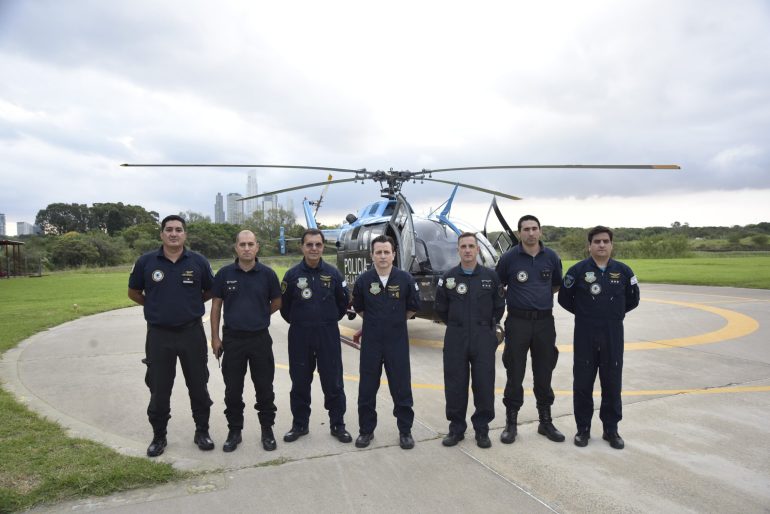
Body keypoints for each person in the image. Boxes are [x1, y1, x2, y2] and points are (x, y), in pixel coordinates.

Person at [128, 214, 215, 457]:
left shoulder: (198, 262)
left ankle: (202, 431)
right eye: (169, 229)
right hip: (159, 335)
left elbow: (210, 290)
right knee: (159, 388)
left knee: (199, 386)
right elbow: (133, 292)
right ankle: (159, 436)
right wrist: (153, 306)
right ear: (162, 234)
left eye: (178, 229)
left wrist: (190, 305)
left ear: (185, 234)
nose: (173, 233)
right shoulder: (146, 262)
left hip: (191, 333)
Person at [558, 225, 639, 450]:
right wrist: (587, 314)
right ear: (589, 246)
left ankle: (611, 430)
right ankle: (582, 429)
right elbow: (565, 299)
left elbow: (633, 300)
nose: (601, 245)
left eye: (605, 241)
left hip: (613, 334)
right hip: (585, 334)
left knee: (612, 382)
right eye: (597, 242)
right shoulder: (577, 271)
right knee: (583, 383)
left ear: (612, 245)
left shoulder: (624, 272)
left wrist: (612, 316)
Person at [495, 215, 565, 444]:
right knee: (515, 372)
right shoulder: (509, 258)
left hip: (545, 322)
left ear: (540, 231)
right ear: (519, 233)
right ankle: (511, 423)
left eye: (534, 228)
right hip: (518, 322)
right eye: (526, 229)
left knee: (544, 372)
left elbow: (555, 284)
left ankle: (545, 422)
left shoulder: (551, 257)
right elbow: (499, 284)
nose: (531, 233)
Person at [210, 230, 282, 452]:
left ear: (257, 247)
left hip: (260, 339)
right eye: (242, 244)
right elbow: (216, 307)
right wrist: (215, 338)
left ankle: (267, 430)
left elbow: (277, 302)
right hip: (232, 340)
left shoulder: (268, 274)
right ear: (236, 247)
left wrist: (259, 316)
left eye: (251, 244)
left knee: (265, 388)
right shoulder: (223, 274)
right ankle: (234, 431)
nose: (247, 248)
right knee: (233, 390)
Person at [280, 229, 352, 444]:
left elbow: (342, 304)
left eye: (318, 245)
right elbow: (285, 309)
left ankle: (337, 424)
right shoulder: (291, 276)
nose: (314, 249)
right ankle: (300, 424)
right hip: (300, 335)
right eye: (309, 244)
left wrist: (326, 321)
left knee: (333, 381)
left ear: (323, 247)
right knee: (300, 381)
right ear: (302, 247)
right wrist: (302, 321)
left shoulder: (334, 274)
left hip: (327, 334)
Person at [434, 232, 505, 448]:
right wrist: (458, 325)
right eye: (463, 246)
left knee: (484, 384)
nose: (467, 250)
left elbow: (499, 306)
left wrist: (487, 328)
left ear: (477, 249)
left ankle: (482, 430)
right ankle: (456, 429)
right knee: (455, 384)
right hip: (456, 336)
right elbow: (441, 309)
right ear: (458, 250)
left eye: (471, 246)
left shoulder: (490, 277)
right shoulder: (448, 278)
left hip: (483, 336)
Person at [352, 234, 421, 450]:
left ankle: (405, 431)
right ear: (372, 255)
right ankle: (366, 431)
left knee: (401, 388)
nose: (383, 256)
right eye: (378, 252)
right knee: (367, 388)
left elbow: (413, 306)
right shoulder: (364, 280)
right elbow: (359, 308)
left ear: (394, 254)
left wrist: (394, 322)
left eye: (386, 252)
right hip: (372, 341)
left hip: (397, 341)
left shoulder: (405, 279)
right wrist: (376, 322)